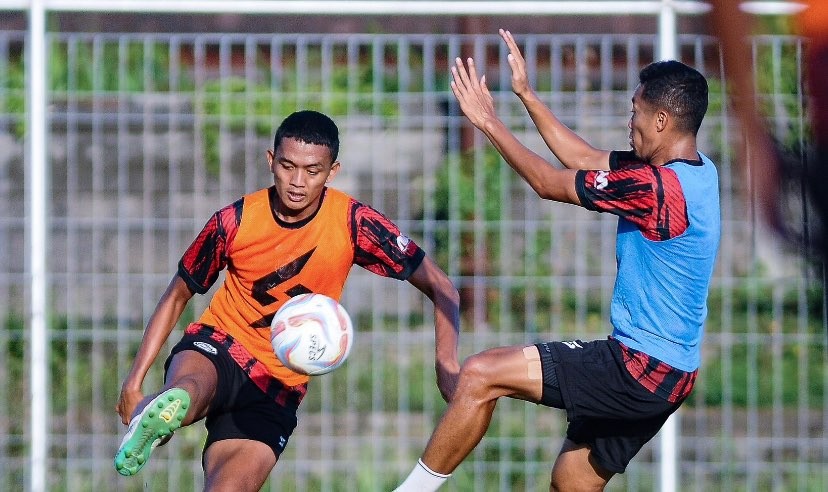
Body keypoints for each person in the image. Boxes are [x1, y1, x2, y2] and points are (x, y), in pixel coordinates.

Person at [395, 29, 720, 491]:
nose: (631, 122)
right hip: (671, 374)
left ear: (663, 120)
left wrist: (488, 122)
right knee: (572, 480)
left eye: (636, 112)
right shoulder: (698, 172)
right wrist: (526, 95)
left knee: (481, 372)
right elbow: (584, 156)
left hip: (637, 368)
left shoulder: (654, 189)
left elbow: (549, 182)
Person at [114, 110, 461, 490]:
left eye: (312, 171)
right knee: (193, 386)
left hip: (276, 387)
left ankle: (162, 415)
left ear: (332, 172)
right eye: (287, 166)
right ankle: (165, 410)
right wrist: (134, 381)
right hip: (219, 345)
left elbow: (441, 286)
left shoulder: (353, 223)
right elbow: (178, 293)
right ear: (270, 161)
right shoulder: (235, 221)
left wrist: (446, 362)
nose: (297, 182)